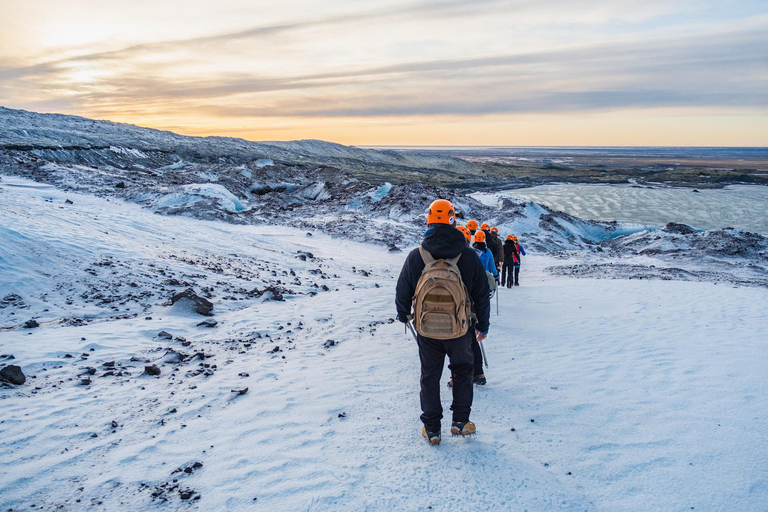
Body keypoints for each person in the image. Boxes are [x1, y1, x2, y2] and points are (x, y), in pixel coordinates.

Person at [396, 200, 490, 445]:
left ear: (428, 221)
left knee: (429, 376)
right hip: (460, 329)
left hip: (427, 331)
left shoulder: (417, 256)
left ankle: (432, 429)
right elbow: (481, 293)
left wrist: (404, 314)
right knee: (462, 372)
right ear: (452, 220)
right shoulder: (468, 255)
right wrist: (483, 326)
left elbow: (402, 290)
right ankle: (460, 422)